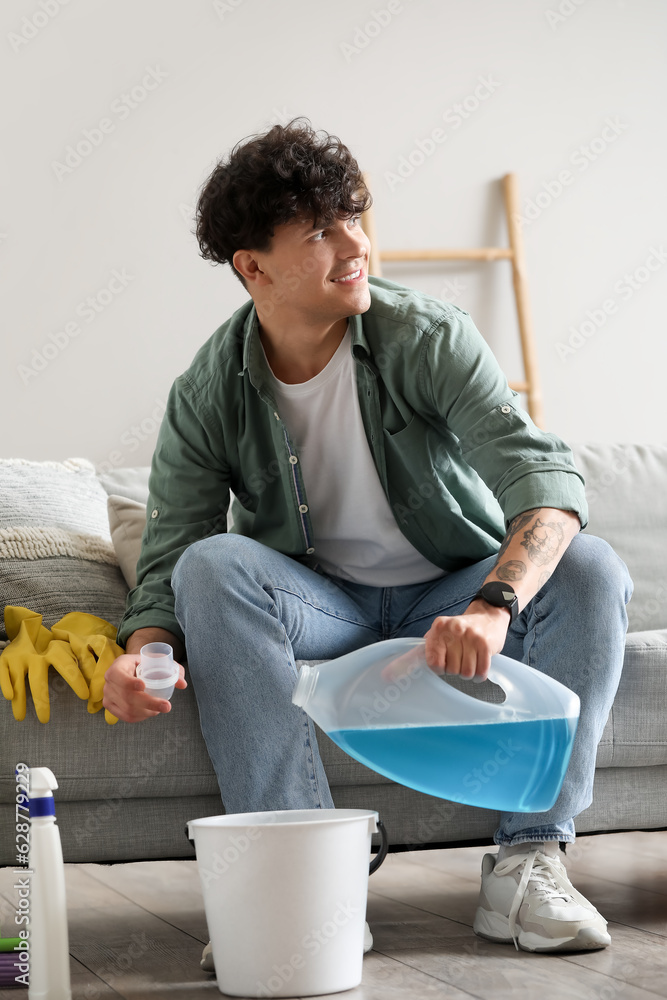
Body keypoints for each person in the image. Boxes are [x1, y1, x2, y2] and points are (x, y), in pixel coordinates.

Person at [103, 118, 632, 958]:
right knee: (214, 566)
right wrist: (145, 650)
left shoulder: (425, 338)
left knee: (592, 569)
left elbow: (548, 487)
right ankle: (304, 881)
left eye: (355, 214)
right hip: (324, 610)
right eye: (320, 230)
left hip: (449, 599)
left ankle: (529, 863)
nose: (356, 243)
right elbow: (173, 554)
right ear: (253, 266)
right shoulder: (208, 389)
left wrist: (494, 604)